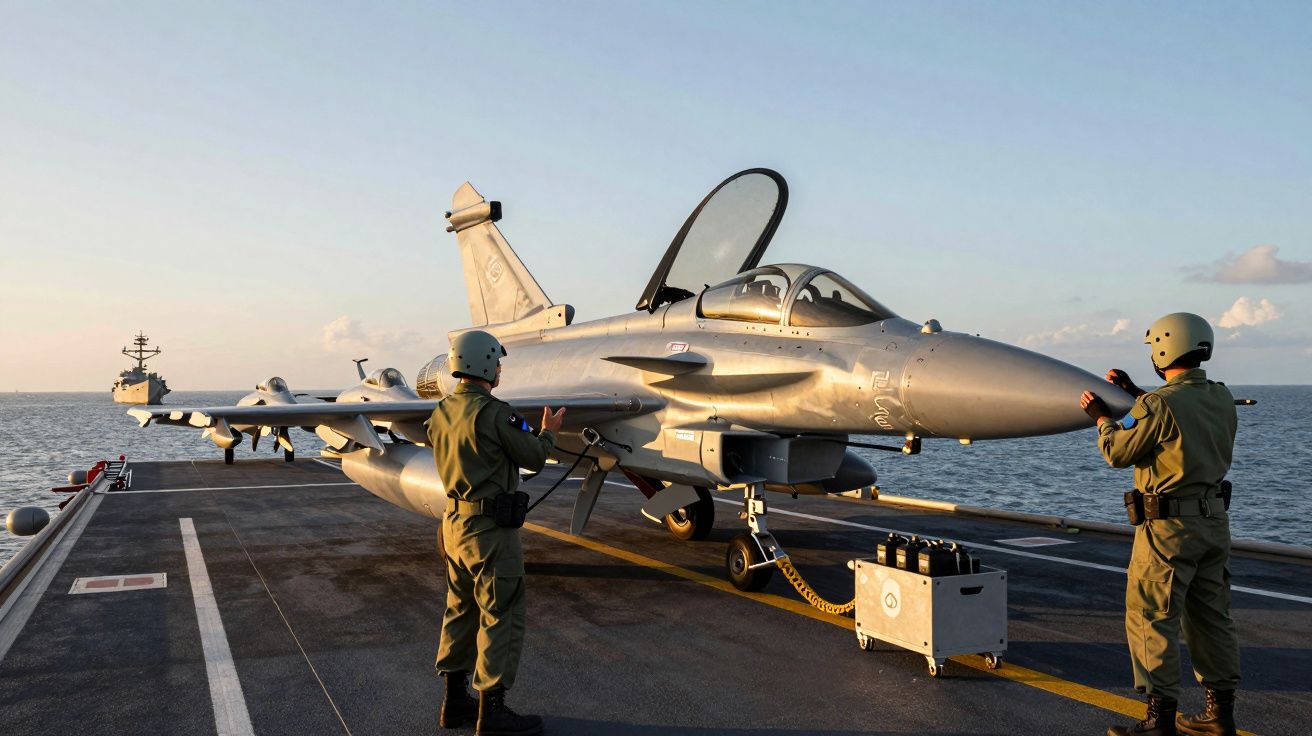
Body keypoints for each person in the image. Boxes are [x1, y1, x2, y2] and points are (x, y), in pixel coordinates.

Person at [1079, 313, 1241, 736]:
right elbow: (1177, 415)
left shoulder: (1159, 406)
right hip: (1214, 525)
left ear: (1165, 349)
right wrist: (1136, 392)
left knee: (1152, 617)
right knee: (1211, 618)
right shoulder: (1221, 396)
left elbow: (1117, 451)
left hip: (1168, 532)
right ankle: (1219, 715)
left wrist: (1101, 417)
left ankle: (1159, 721)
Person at [428, 329, 564, 736]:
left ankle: (454, 703)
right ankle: (493, 713)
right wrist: (549, 430)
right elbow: (535, 455)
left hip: (453, 527)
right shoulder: (495, 413)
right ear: (484, 362)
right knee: (501, 612)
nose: (500, 368)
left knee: (459, 609)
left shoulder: (441, 411)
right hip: (489, 532)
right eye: (498, 361)